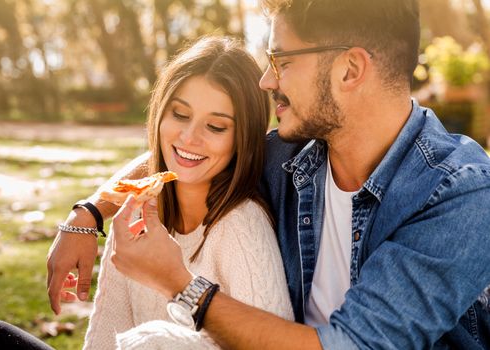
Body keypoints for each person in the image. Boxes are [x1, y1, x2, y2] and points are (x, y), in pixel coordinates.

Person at [48, 0, 490, 349]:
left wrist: (180, 285)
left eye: (282, 61)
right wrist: (87, 213)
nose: (265, 81)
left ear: (350, 70)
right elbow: (182, 156)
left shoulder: (460, 194)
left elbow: (348, 346)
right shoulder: (294, 157)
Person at [76, 36, 292, 349]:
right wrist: (84, 215)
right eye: (179, 114)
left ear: (242, 139)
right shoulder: (136, 215)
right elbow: (103, 337)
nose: (189, 138)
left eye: (216, 127)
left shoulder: (241, 226)